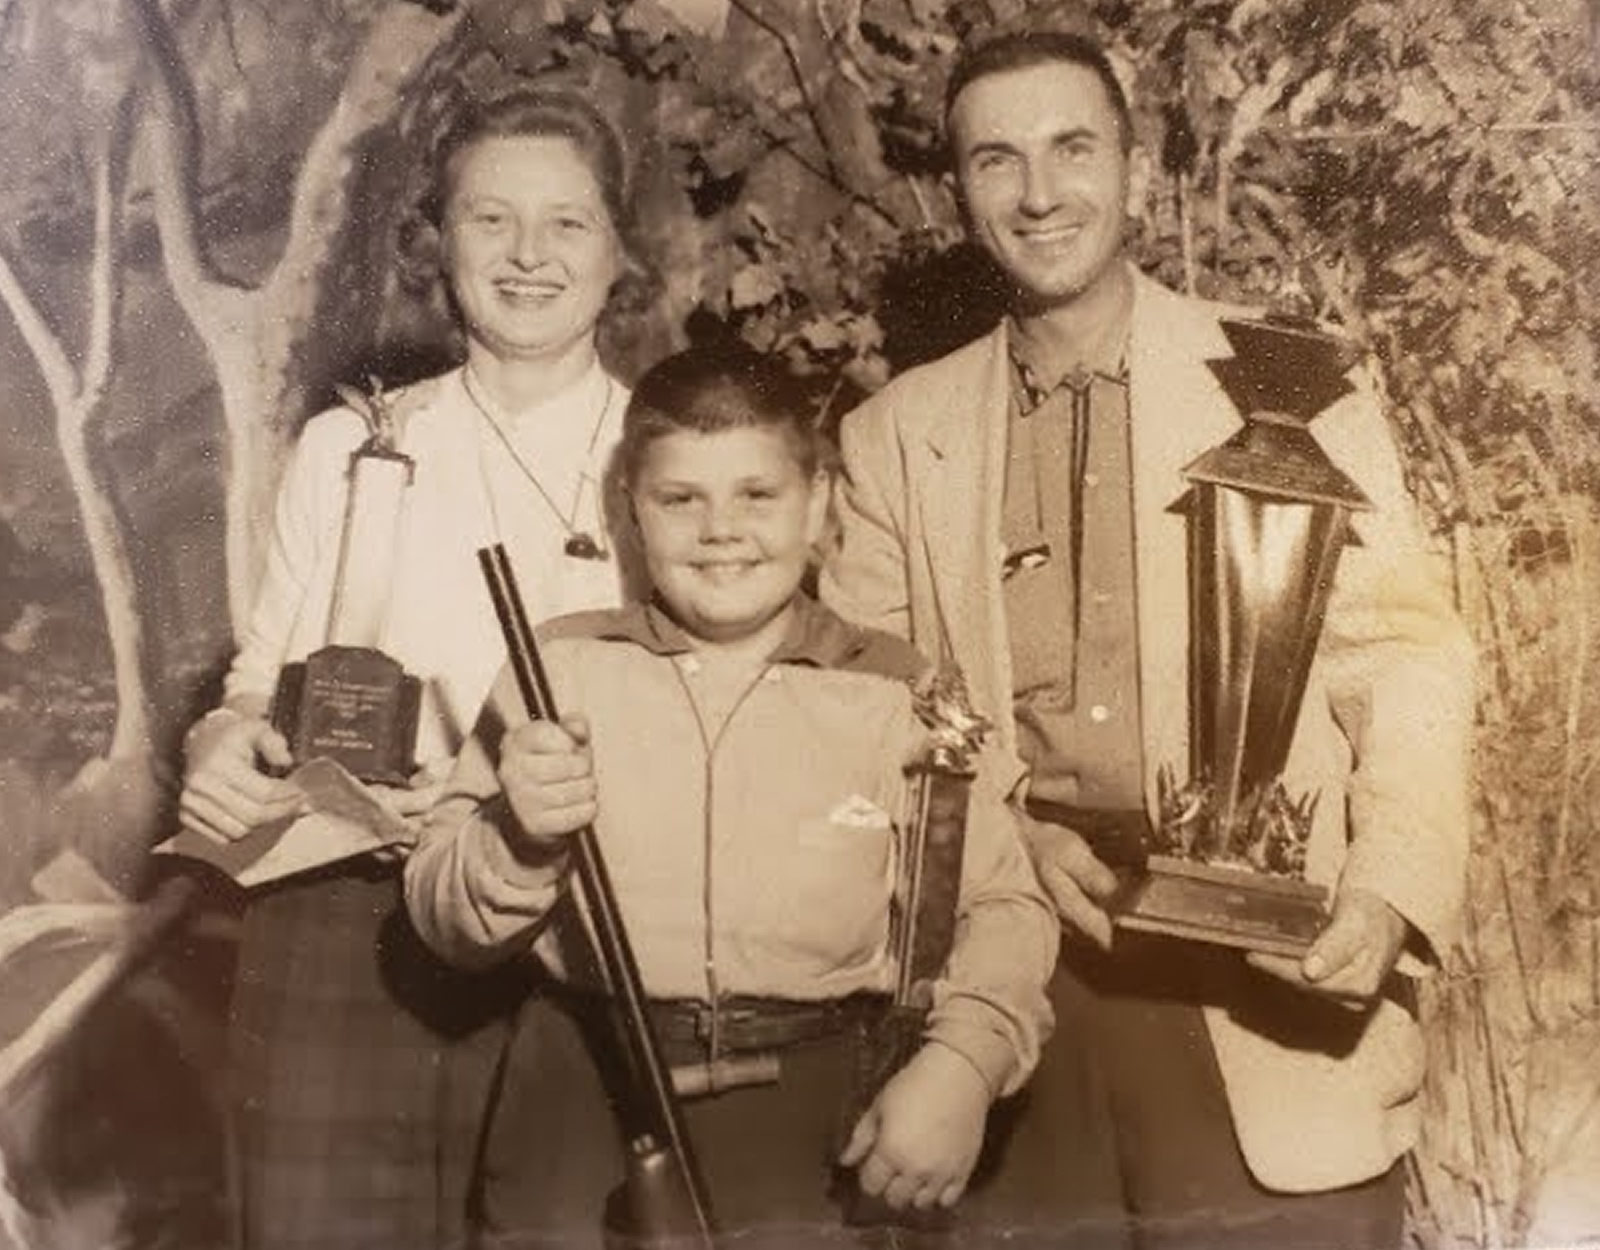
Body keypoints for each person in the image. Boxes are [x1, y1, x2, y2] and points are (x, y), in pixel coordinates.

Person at [820, 23, 1475, 1250]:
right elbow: (865, 712)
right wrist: (1001, 829)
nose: (1039, 192)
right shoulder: (895, 437)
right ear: (956, 190)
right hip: (1020, 985)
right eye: (995, 159)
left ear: (1135, 167)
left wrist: (1386, 893)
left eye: (1073, 148)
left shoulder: (1283, 383)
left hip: (1265, 995)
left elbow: (1407, 659)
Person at [403, 346, 1060, 1249]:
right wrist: (515, 837)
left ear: (820, 502)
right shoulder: (559, 670)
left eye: (758, 495)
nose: (722, 530)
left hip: (820, 1108)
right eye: (681, 499)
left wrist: (962, 1064)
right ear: (630, 508)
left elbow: (1003, 906)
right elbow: (442, 917)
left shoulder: (897, 693)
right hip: (582, 1094)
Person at [177, 86, 646, 1250]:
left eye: (568, 224)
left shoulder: (668, 461)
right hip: (348, 914)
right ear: (439, 242)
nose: (529, 256)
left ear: (619, 252)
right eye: (491, 219)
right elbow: (259, 680)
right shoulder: (352, 445)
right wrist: (221, 744)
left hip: (575, 921)